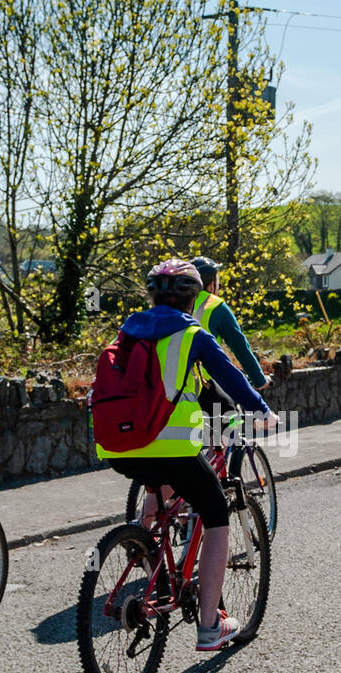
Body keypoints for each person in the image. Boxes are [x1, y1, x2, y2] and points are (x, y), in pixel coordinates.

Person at [94, 259, 277, 651]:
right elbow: (230, 376)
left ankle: (144, 548)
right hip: (172, 445)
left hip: (118, 448)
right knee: (215, 515)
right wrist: (262, 410)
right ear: (193, 299)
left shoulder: (128, 330)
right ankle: (210, 626)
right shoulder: (191, 332)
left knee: (159, 490)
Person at [189, 256, 268, 390]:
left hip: (175, 385)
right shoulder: (215, 305)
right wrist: (259, 380)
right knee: (229, 409)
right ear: (212, 283)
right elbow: (240, 347)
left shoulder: (178, 302)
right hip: (205, 383)